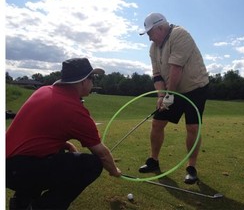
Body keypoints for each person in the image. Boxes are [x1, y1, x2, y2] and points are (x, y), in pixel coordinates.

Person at [6, 58, 121, 209]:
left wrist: (65, 143)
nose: (93, 82)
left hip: (10, 166)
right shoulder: (74, 110)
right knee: (92, 164)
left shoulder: (44, 90)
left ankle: (22, 201)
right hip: (16, 170)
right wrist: (114, 170)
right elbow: (102, 154)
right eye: (91, 78)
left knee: (58, 151)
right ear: (82, 82)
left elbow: (41, 130)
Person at [138, 13, 209, 184]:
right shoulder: (153, 48)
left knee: (192, 127)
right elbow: (157, 75)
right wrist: (162, 95)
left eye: (150, 34)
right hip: (172, 89)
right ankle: (153, 161)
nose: (149, 39)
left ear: (160, 28)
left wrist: (169, 96)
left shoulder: (180, 34)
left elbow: (175, 70)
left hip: (195, 88)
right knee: (157, 123)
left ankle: (191, 168)